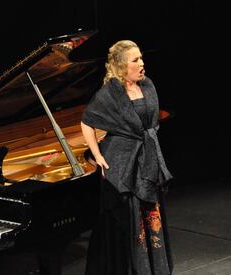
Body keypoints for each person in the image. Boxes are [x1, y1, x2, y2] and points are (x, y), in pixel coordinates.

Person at [81, 40, 173, 275]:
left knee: (151, 215)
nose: (142, 64)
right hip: (122, 163)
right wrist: (97, 155)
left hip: (147, 158)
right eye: (136, 60)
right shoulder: (109, 93)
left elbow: (152, 122)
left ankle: (155, 269)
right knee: (133, 221)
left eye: (141, 58)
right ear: (122, 66)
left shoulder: (148, 86)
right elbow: (86, 122)